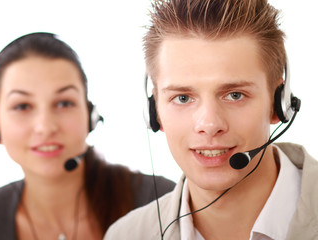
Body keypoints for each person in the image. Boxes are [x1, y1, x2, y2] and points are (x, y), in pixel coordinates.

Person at [104, 0, 318, 239]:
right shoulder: (126, 235)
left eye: (235, 95)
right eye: (183, 98)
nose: (209, 125)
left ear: (279, 104)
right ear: (154, 112)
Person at [0, 32, 175, 240]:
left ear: (90, 115)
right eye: (22, 106)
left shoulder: (160, 202)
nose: (45, 127)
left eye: (64, 103)